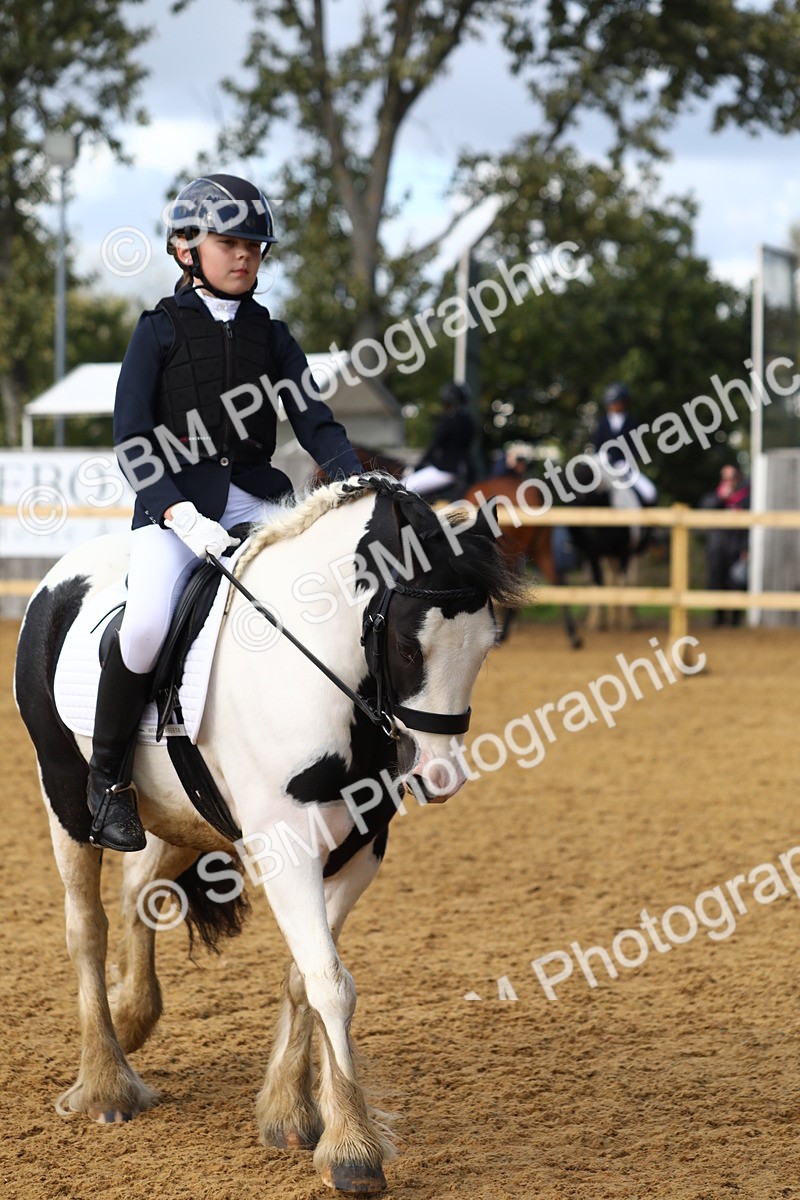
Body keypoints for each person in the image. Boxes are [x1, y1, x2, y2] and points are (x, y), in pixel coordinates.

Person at [87, 173, 363, 853]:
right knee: (148, 624)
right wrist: (177, 514)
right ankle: (108, 782)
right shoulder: (158, 331)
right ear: (187, 247)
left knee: (337, 599)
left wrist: (357, 484)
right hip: (176, 507)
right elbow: (131, 437)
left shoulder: (272, 335)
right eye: (229, 242)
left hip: (260, 500)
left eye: (255, 246)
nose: (245, 256)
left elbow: (315, 421)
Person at [590, 381, 657, 505]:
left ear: (624, 402)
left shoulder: (633, 423)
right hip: (604, 467)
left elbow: (637, 449)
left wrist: (626, 463)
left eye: (616, 402)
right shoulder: (602, 423)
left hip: (625, 468)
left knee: (650, 493)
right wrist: (602, 457)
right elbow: (597, 446)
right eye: (611, 403)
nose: (613, 405)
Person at [404, 382, 476, 498]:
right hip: (465, 469)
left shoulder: (449, 420)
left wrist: (417, 467)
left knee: (404, 487)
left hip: (445, 469)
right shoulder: (469, 420)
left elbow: (434, 447)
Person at [701, 463, 751, 627]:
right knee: (717, 581)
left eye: (732, 478)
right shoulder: (714, 497)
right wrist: (721, 498)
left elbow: (749, 526)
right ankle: (719, 618)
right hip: (718, 548)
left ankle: (736, 620)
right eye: (725, 478)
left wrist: (746, 548)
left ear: (738, 479)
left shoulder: (746, 498)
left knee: (736, 582)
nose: (728, 481)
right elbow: (705, 509)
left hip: (737, 547)